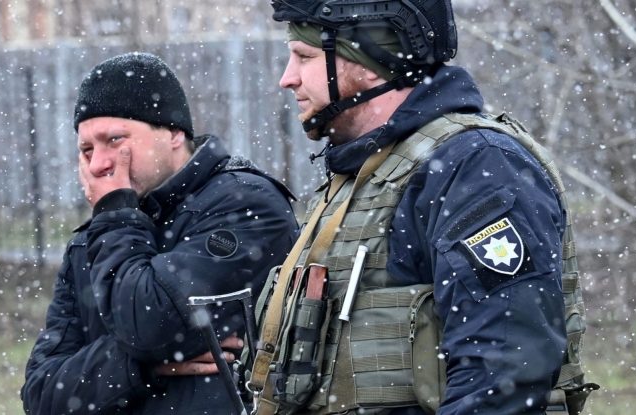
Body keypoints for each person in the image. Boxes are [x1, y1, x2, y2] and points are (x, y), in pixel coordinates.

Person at [249, 1, 595, 414]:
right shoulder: (360, 176)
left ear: (373, 56)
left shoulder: (473, 166)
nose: (286, 79)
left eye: (303, 56)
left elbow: (504, 373)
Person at [21, 52, 299, 414]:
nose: (99, 164)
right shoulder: (95, 237)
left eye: (115, 140)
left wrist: (117, 216)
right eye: (87, 149)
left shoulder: (246, 205)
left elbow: (149, 326)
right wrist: (140, 364)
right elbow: (43, 396)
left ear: (173, 133)